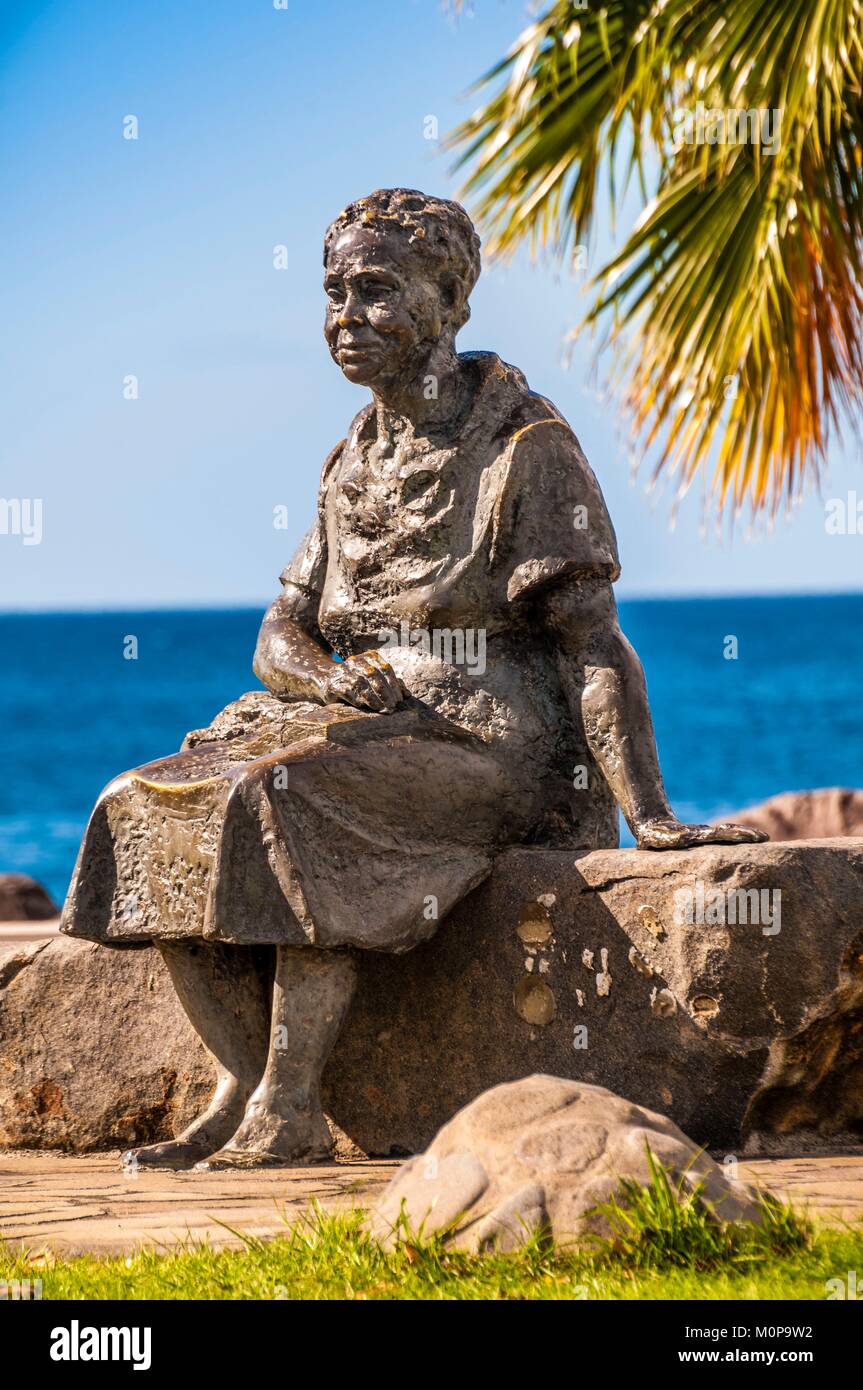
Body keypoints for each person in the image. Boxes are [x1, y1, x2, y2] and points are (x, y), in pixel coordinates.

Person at [61, 188, 764, 1169]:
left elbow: (591, 644)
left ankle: (291, 1107)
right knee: (145, 803)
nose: (348, 316)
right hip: (352, 717)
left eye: (377, 291)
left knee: (289, 795)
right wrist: (322, 677)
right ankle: (246, 1077)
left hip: (492, 742)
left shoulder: (524, 449)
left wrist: (646, 815)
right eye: (335, 292)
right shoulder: (349, 458)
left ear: (449, 299)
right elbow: (279, 630)